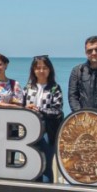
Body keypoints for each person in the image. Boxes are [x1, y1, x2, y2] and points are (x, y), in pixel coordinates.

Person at [23, 55, 65, 183]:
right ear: (33, 70)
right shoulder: (28, 88)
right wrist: (26, 108)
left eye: (45, 68)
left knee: (46, 164)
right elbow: (21, 106)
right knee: (32, 164)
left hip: (48, 130)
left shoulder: (54, 88)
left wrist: (40, 110)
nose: (41, 71)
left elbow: (57, 110)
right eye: (38, 68)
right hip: (30, 130)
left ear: (50, 70)